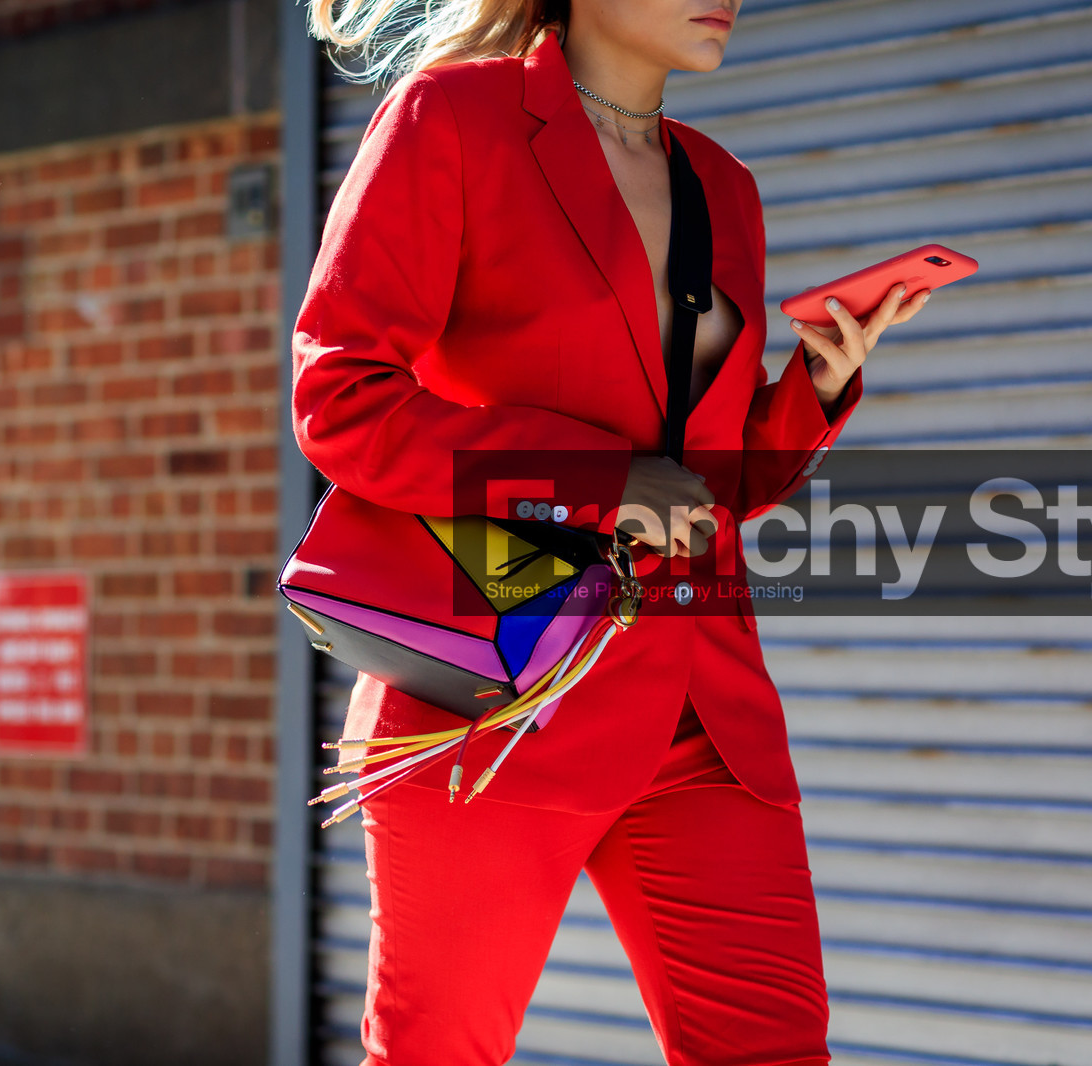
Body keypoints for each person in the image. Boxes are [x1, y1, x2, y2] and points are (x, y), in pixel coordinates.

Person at [290, 1, 930, 1062]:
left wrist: (815, 382)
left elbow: (707, 487)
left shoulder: (725, 186)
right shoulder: (450, 120)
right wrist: (594, 480)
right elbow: (340, 399)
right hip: (497, 697)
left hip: (699, 707)